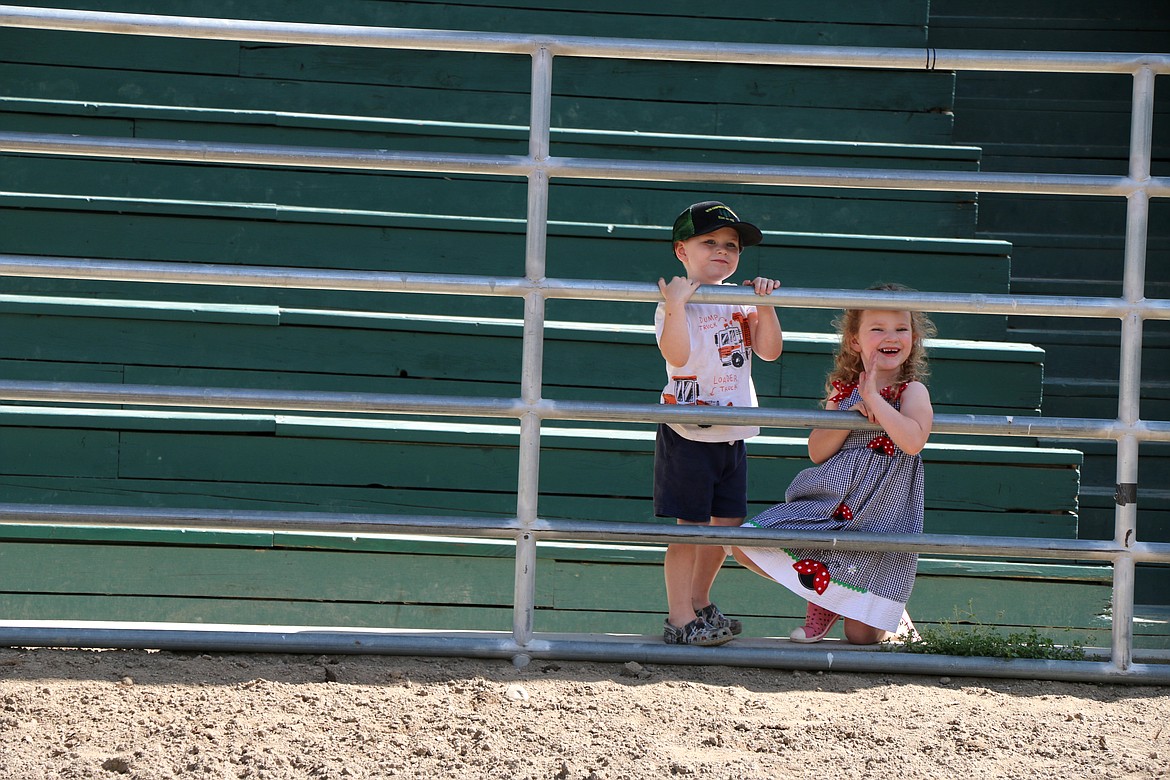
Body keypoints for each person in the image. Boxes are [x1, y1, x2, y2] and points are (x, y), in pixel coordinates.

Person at [731, 283, 935, 644]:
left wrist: (876, 398)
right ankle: (823, 598)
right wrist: (848, 414)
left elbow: (913, 441)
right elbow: (817, 451)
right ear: (855, 341)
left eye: (901, 328)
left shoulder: (911, 391)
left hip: (883, 509)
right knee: (747, 547)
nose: (891, 336)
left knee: (862, 637)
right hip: (836, 502)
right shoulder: (842, 391)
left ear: (913, 338)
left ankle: (886, 612)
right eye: (877, 328)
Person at [655, 201, 783, 646]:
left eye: (731, 245)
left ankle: (699, 602)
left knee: (726, 526)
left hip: (734, 430)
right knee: (690, 527)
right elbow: (676, 355)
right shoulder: (676, 300)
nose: (722, 251)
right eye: (708, 241)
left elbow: (768, 351)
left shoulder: (740, 299)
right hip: (689, 430)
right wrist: (674, 305)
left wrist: (764, 305)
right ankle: (678, 617)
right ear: (681, 250)